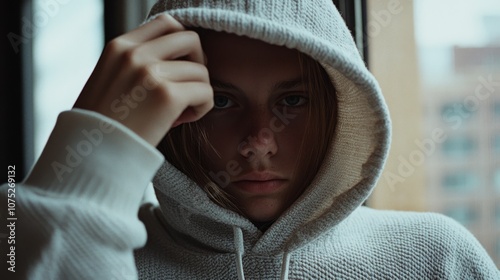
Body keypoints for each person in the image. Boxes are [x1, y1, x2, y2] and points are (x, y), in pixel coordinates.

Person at [1, 0, 499, 279]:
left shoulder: (436, 258)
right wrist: (90, 154)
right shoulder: (90, 248)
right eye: (221, 102)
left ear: (340, 111)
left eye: (293, 102)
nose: (260, 143)